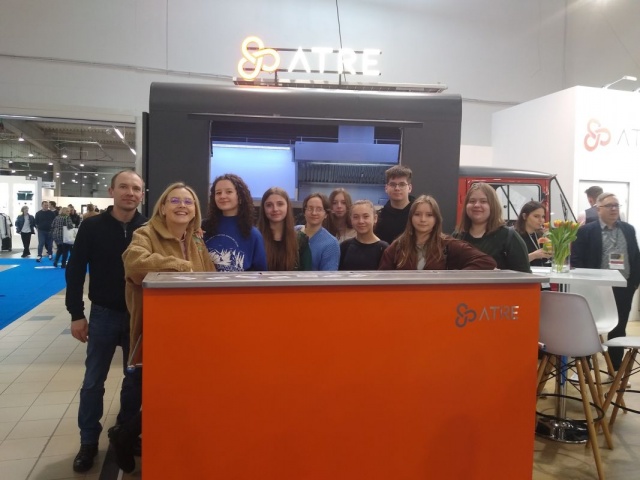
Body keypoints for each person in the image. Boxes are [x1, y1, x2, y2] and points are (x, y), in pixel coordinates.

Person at [112, 182, 215, 473]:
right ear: (162, 207)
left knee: (176, 391)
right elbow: (134, 265)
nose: (182, 206)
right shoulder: (145, 234)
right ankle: (126, 435)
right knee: (153, 390)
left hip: (191, 329)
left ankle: (134, 435)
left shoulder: (196, 240)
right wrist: (181, 266)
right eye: (175, 201)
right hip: (157, 330)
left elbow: (209, 274)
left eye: (189, 202)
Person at [65, 170, 146, 472]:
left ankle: (125, 433)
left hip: (138, 316)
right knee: (93, 382)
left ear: (142, 194)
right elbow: (75, 270)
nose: (130, 193)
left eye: (135, 188)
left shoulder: (148, 227)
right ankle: (88, 441)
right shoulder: (92, 227)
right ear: (111, 191)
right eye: (123, 187)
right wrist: (76, 314)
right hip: (103, 314)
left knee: (134, 381)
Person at [571, 192, 640, 371]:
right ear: (598, 209)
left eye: (616, 205)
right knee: (589, 327)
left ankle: (615, 369)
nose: (614, 209)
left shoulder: (628, 229)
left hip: (623, 287)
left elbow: (635, 256)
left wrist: (634, 283)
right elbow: (576, 260)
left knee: (619, 327)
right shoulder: (586, 231)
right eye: (609, 205)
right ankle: (584, 368)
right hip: (596, 289)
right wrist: (585, 285)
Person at [379, 195, 497, 270]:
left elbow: (487, 262)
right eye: (417, 214)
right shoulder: (397, 246)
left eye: (429, 215)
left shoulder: (448, 244)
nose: (423, 219)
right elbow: (383, 278)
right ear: (410, 218)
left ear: (436, 219)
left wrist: (454, 277)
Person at [453, 182, 531, 273]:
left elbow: (524, 276)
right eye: (472, 201)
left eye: (483, 201)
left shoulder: (509, 237)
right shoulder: (457, 237)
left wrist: (499, 275)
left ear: (493, 205)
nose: (476, 205)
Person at [203, 173, 267, 271]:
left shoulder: (253, 234)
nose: (222, 196)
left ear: (240, 197)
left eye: (229, 192)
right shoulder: (203, 228)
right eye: (218, 193)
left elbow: (260, 273)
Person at [258, 187, 312, 271]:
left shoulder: (301, 240)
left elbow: (307, 274)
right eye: (269, 205)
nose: (275, 209)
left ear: (287, 206)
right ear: (263, 208)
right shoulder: (255, 238)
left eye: (280, 204)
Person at [295, 193, 340, 271]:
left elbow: (328, 276)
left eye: (319, 209)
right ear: (304, 212)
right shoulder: (294, 232)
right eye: (310, 208)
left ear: (326, 214)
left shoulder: (331, 243)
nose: (314, 213)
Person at [339, 200, 389, 270]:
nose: (361, 221)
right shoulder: (345, 246)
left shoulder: (384, 249)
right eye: (356, 217)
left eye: (365, 216)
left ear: (375, 218)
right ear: (351, 219)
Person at [374, 165, 414, 244]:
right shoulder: (379, 218)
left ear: (409, 188)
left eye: (402, 184)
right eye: (392, 184)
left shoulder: (418, 214)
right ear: (386, 188)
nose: (397, 188)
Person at [514, 201, 552, 267]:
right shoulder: (514, 236)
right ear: (524, 216)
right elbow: (511, 263)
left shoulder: (541, 234)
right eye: (536, 216)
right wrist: (534, 255)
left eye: (543, 216)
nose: (541, 220)